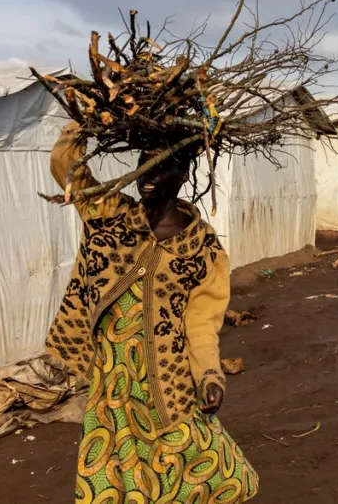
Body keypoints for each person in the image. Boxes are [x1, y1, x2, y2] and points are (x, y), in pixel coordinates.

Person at [45, 121, 258, 503]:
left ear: (183, 173)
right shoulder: (109, 214)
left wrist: (209, 373)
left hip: (167, 377)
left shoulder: (202, 247)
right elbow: (66, 167)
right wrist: (82, 126)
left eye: (161, 166)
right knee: (111, 473)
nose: (148, 175)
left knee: (193, 463)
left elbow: (202, 323)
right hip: (110, 379)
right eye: (145, 163)